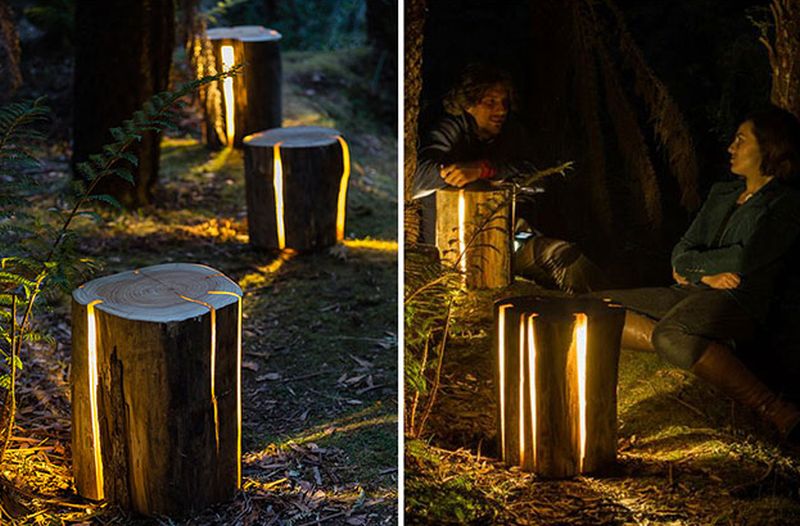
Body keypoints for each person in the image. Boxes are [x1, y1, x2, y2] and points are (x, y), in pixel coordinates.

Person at [603, 106, 800, 440]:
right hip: (695, 290)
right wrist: (701, 274)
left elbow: (744, 258)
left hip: (739, 300)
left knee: (671, 334)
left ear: (769, 147)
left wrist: (692, 266)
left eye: (740, 140)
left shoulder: (785, 203)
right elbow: (682, 249)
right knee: (594, 308)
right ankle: (681, 345)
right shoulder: (722, 193)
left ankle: (775, 408)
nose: (730, 148)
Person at [412, 63, 602, 292]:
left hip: (508, 243)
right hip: (452, 253)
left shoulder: (511, 134)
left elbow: (538, 178)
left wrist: (487, 169)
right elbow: (418, 178)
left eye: (504, 102)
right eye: (490, 102)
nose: (501, 110)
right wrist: (451, 172)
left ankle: (598, 313)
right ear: (468, 104)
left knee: (565, 257)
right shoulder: (450, 131)